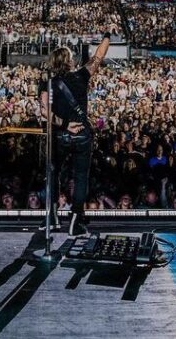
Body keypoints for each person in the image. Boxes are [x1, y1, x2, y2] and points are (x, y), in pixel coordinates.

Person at [41, 22, 116, 236]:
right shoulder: (81, 76)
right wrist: (107, 33)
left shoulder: (48, 83)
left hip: (60, 135)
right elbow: (98, 57)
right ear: (69, 61)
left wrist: (64, 125)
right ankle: (75, 221)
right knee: (81, 177)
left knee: (53, 174)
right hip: (82, 134)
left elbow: (45, 112)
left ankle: (53, 217)